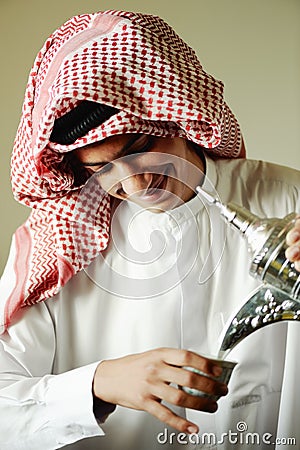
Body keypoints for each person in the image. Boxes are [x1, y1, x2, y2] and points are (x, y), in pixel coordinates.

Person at [0, 9, 299, 450]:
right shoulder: (57, 249)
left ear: (180, 116)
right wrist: (98, 384)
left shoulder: (290, 199)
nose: (136, 183)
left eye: (142, 147)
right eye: (102, 168)